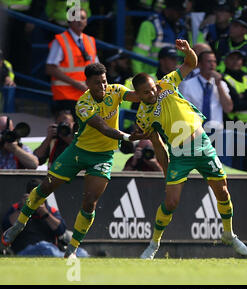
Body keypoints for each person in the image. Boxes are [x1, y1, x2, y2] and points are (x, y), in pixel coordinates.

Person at [1, 63, 148, 258]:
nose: (103, 87)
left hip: (103, 155)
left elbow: (139, 96)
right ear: (87, 84)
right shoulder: (83, 104)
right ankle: (19, 225)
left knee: (90, 202)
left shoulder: (116, 91)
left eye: (104, 82)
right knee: (45, 188)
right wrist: (129, 137)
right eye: (97, 84)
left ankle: (73, 247)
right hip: (78, 151)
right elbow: (104, 128)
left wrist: (156, 91)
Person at [132, 39, 247, 259]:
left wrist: (188, 51)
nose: (152, 93)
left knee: (222, 191)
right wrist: (165, 170)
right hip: (179, 154)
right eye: (146, 93)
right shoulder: (143, 116)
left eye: (152, 88)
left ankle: (229, 234)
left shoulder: (166, 84)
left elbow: (191, 63)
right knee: (171, 202)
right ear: (138, 96)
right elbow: (157, 144)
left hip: (202, 144)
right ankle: (154, 244)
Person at [1, 178, 88, 257]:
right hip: (26, 250)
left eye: (39, 196)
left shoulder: (50, 210)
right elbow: (7, 226)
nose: (37, 199)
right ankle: (65, 258)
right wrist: (24, 208)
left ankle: (66, 258)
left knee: (81, 253)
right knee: (45, 247)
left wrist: (44, 213)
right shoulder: (17, 207)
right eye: (34, 195)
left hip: (52, 249)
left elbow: (61, 230)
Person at [46, 7, 98, 117]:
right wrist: (75, 83)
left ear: (86, 21)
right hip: (65, 97)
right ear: (69, 21)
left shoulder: (90, 41)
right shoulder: (60, 40)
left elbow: (96, 68)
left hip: (85, 97)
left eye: (83, 18)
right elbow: (50, 68)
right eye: (76, 18)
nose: (80, 21)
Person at [178, 50, 233, 130]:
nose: (212, 64)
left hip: (217, 131)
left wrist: (219, 85)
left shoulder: (221, 84)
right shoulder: (187, 85)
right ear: (199, 64)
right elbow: (181, 111)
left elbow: (228, 108)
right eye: (209, 61)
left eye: (214, 61)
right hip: (195, 131)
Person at [131, 0, 189, 75]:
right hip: (152, 78)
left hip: (173, 78)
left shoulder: (181, 27)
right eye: (178, 12)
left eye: (182, 13)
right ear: (169, 9)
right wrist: (141, 80)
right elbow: (138, 56)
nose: (180, 15)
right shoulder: (149, 25)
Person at [213, 7, 247, 83]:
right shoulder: (219, 43)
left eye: (235, 26)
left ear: (244, 30)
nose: (231, 28)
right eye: (231, 25)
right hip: (219, 83)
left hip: (240, 86)